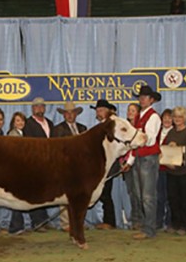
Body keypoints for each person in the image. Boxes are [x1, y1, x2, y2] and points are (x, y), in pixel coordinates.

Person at [9, 97, 52, 233]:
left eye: (41, 106)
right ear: (32, 108)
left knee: (41, 193)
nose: (39, 108)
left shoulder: (49, 123)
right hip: (30, 164)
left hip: (46, 163)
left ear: (44, 108)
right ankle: (26, 224)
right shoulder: (27, 126)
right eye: (36, 106)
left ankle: (41, 220)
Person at [126, 86, 161, 240]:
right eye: (141, 97)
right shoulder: (140, 116)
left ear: (151, 100)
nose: (142, 99)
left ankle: (149, 229)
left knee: (147, 196)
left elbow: (150, 139)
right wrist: (130, 160)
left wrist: (139, 139)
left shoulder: (153, 116)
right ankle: (145, 225)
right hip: (140, 157)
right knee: (140, 195)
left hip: (148, 158)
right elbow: (138, 141)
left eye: (145, 97)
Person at [53, 102, 87, 232]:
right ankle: (66, 223)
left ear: (76, 114)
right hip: (65, 166)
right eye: (67, 113)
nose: (70, 115)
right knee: (65, 194)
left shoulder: (83, 128)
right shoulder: (58, 130)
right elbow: (55, 150)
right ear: (64, 115)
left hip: (81, 168)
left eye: (72, 113)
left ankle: (78, 222)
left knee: (79, 195)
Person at [165, 106, 186, 236]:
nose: (177, 119)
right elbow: (166, 149)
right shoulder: (171, 132)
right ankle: (175, 223)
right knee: (172, 198)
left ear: (184, 118)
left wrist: (178, 163)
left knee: (184, 198)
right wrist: (167, 162)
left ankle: (184, 225)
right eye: (175, 117)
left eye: (180, 117)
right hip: (171, 172)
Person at [90, 99, 118, 230]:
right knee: (103, 192)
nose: (98, 112)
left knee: (106, 192)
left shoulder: (111, 127)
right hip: (100, 165)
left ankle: (110, 221)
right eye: (97, 110)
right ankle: (108, 220)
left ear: (107, 112)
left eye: (101, 110)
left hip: (109, 164)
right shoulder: (101, 127)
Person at [7, 112, 29, 235]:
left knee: (19, 197)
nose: (20, 123)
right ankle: (15, 227)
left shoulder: (21, 134)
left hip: (20, 169)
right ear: (13, 123)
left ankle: (17, 226)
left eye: (22, 121)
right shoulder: (13, 135)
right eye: (17, 121)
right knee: (16, 197)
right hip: (16, 170)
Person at [123, 103, 142, 230]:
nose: (130, 113)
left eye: (133, 110)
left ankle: (139, 219)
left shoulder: (139, 128)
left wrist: (129, 162)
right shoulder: (125, 128)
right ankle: (135, 219)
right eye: (129, 110)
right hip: (126, 163)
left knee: (139, 193)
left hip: (138, 163)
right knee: (131, 192)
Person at [157, 108, 173, 231]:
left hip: (170, 169)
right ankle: (158, 221)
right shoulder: (157, 132)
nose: (167, 120)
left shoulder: (175, 133)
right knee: (158, 196)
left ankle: (169, 222)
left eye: (169, 117)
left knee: (169, 197)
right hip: (157, 168)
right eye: (165, 117)